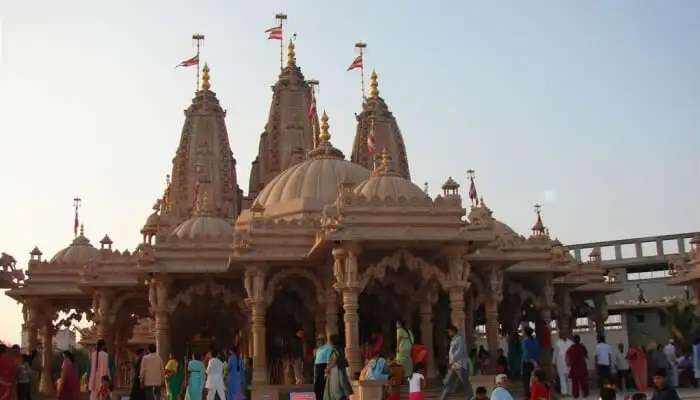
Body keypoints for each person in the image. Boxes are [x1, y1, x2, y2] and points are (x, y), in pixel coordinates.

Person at [439, 325, 473, 400]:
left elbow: (459, 352)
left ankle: (471, 397)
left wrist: (451, 361)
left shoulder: (459, 339)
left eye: (449, 331)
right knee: (447, 383)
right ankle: (442, 398)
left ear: (453, 331)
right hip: (454, 366)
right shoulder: (453, 340)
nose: (448, 333)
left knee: (465, 384)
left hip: (460, 365)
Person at [323, 334, 353, 400]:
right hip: (338, 370)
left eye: (329, 341)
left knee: (337, 389)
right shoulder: (339, 349)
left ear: (332, 342)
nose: (329, 342)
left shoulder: (334, 350)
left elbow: (334, 359)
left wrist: (328, 368)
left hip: (335, 371)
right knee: (341, 387)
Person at [566, 335, 589, 399]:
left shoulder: (572, 348)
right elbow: (586, 355)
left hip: (575, 367)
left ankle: (576, 394)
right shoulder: (582, 346)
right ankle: (585, 393)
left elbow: (568, 356)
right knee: (583, 381)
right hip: (581, 366)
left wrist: (569, 363)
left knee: (575, 382)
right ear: (579, 339)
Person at [521, 327, 541, 399]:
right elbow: (538, 352)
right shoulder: (536, 340)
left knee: (526, 379)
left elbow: (526, 354)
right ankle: (536, 394)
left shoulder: (525, 341)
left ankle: (528, 395)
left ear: (526, 333)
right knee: (536, 379)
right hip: (536, 362)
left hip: (528, 363)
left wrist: (532, 361)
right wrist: (536, 362)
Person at [314, 334, 332, 400]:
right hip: (317, 368)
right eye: (318, 340)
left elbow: (328, 359)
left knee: (323, 387)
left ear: (324, 340)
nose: (318, 341)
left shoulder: (328, 347)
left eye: (320, 340)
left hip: (323, 367)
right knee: (316, 388)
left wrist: (327, 370)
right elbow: (316, 361)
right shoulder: (318, 349)